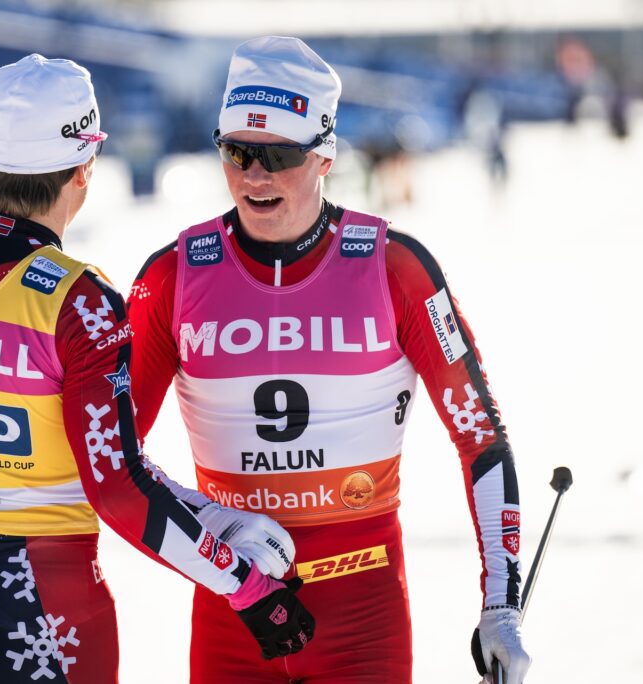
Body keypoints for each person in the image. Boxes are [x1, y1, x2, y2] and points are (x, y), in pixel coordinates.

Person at [0, 54, 314, 683]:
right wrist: (248, 589)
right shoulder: (80, 303)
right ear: (84, 168)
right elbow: (117, 486)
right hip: (48, 622)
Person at [127, 36, 532, 684]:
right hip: (233, 620)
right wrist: (215, 528)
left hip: (363, 619)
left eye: (278, 154)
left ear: (324, 155)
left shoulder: (395, 267)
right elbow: (109, 457)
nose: (253, 175)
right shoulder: (173, 275)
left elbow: (481, 439)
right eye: (236, 151)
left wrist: (499, 602)